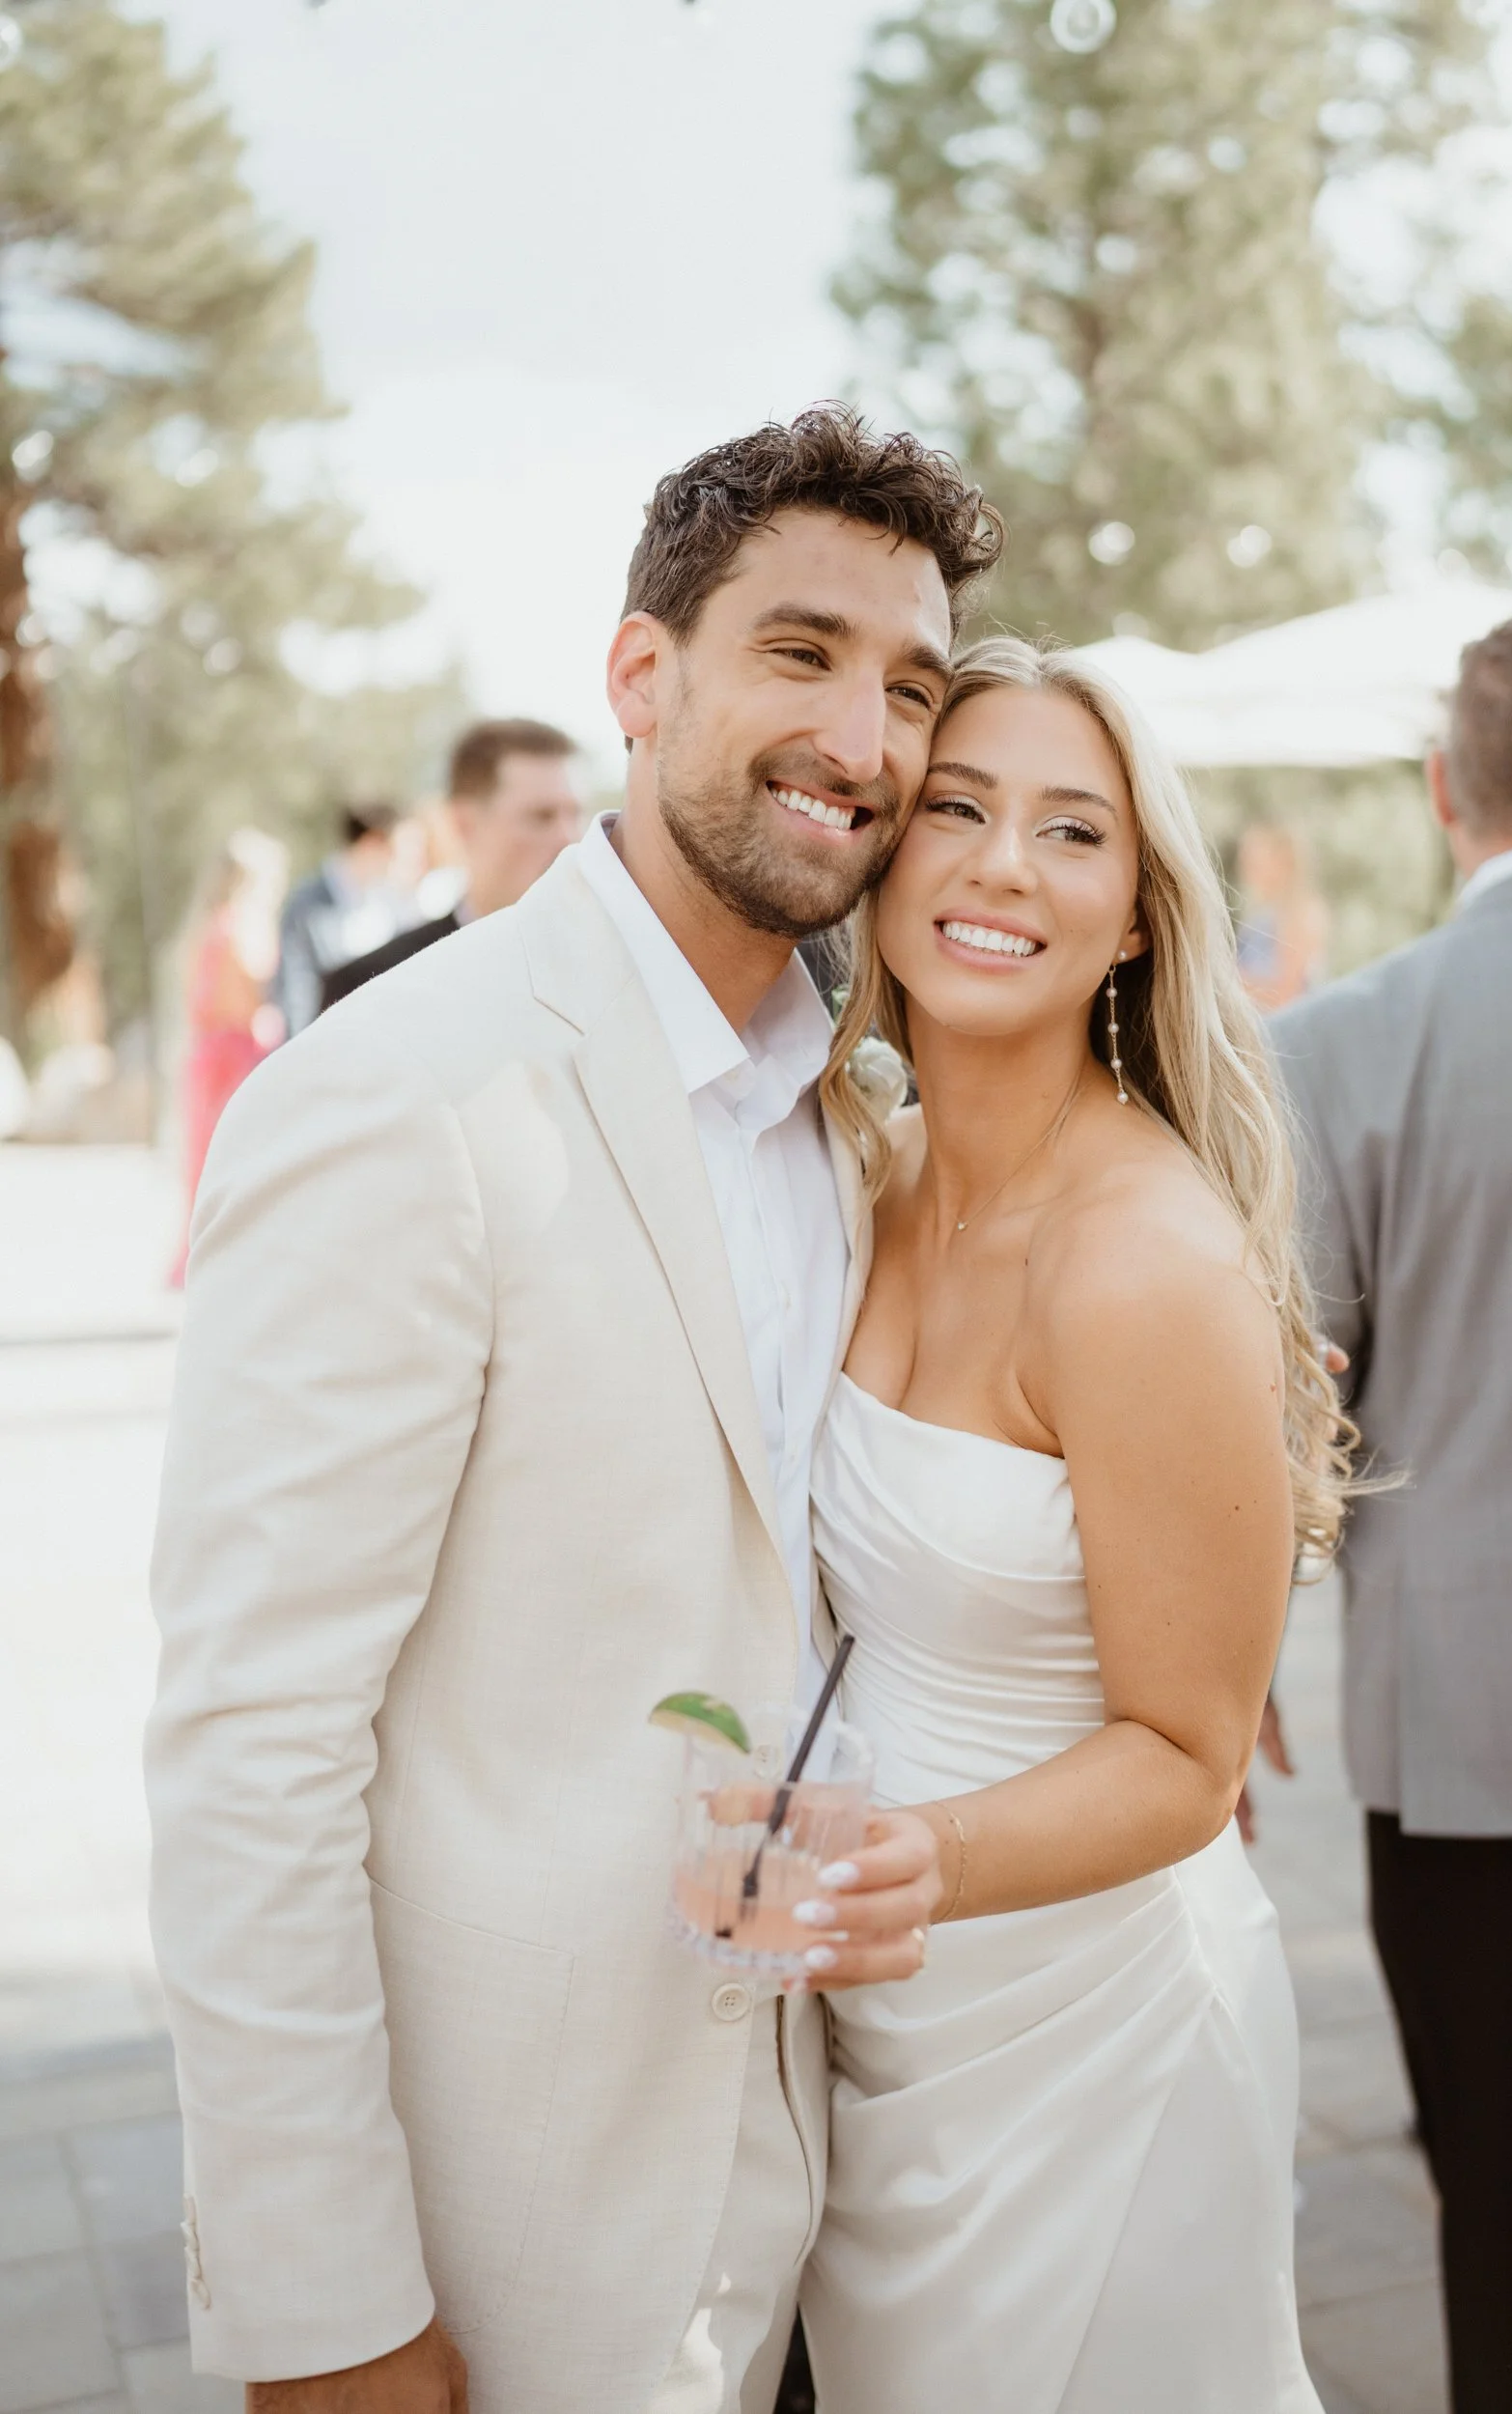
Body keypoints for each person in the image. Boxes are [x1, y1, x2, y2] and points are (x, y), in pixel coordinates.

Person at [144, 406, 1000, 2414]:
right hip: (511, 2240)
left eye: (907, 688)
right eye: (797, 654)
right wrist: (323, 2307)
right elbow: (251, 1742)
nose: (862, 741)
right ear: (639, 674)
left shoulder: (853, 1116)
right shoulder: (398, 1094)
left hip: (824, 2223)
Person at [792, 636, 1347, 2411]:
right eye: (953, 807)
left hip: (1093, 2036)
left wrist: (919, 1864)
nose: (1000, 865)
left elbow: (1191, 1752)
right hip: (884, 2023)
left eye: (1069, 831)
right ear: (884, 857)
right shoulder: (852, 1180)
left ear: (1132, 920)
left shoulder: (1137, 1264)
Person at [1271, 606, 1512, 2414]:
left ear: (1441, 793)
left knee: (1498, 2219)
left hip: (1468, 1745)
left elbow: (1285, 1396)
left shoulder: (1343, 1039)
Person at [319, 719, 584, 1011]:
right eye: (541, 817)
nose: (569, 839)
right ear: (464, 824)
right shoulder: (372, 987)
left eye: (574, 815)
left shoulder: (603, 966)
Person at [169, 830, 287, 1283]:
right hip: (236, 1058)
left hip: (208, 1055)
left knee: (205, 1161)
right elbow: (252, 998)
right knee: (236, 1160)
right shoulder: (239, 927)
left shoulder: (206, 926)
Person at [273, 799, 412, 1035]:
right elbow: (296, 989)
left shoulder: (391, 905)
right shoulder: (307, 906)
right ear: (372, 843)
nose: (404, 859)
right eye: (398, 849)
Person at [1235, 818, 1329, 1010]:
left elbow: (1287, 993)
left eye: (1255, 857)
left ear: (1283, 859)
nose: (1245, 863)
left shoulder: (1301, 912)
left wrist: (1225, 983)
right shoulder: (1260, 913)